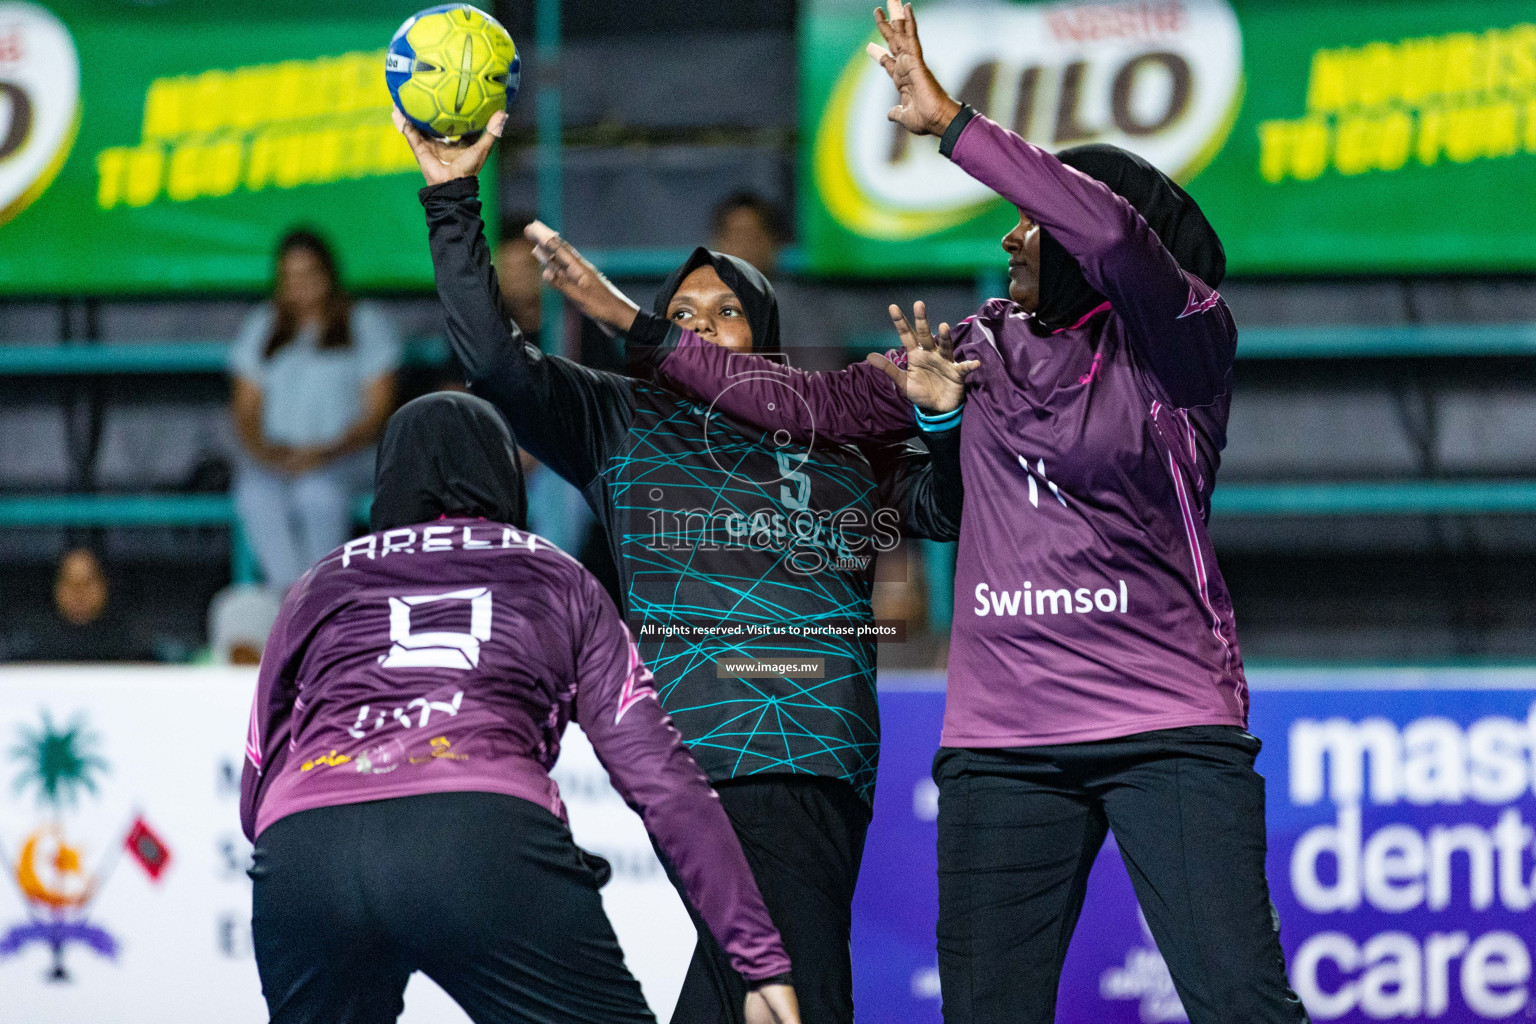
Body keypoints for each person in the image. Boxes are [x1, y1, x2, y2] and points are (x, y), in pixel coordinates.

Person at [544, 5, 1312, 1023]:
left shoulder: (1183, 350)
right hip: (1003, 748)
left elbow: (1118, 231)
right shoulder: (977, 345)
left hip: (1165, 725)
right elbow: (804, 404)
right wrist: (642, 334)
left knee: (1243, 1004)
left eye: (1034, 221)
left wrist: (954, 126)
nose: (1009, 231)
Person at [395, 108, 960, 1024]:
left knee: (765, 991)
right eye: (680, 316)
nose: (700, 326)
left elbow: (957, 507)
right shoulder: (619, 419)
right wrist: (453, 196)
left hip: (809, 747)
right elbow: (491, 359)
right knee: (785, 994)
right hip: (702, 757)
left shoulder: (838, 436)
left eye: (727, 312)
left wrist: (940, 420)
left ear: (767, 340)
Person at [240, 391, 800, 1024]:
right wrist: (760, 959)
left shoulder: (319, 583)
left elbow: (259, 772)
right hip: (480, 837)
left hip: (306, 849)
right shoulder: (558, 578)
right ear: (503, 471)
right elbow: (664, 782)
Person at [229, 229, 402, 591]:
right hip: (278, 456)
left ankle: (321, 594)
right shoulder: (261, 325)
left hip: (346, 456)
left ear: (329, 274)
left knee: (316, 493)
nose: (300, 286)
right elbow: (245, 411)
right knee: (253, 492)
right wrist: (269, 454)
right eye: (290, 277)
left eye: (309, 274)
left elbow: (377, 412)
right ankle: (292, 595)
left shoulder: (365, 322)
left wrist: (324, 452)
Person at [0, 547, 149, 661]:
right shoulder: (27, 649)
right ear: (56, 587)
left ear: (104, 586)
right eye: (70, 582)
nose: (79, 593)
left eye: (87, 583)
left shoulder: (133, 646)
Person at [709, 193, 788, 279]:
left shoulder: (795, 292)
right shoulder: (701, 291)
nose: (746, 247)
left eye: (753, 236)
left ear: (772, 241)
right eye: (737, 238)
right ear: (718, 243)